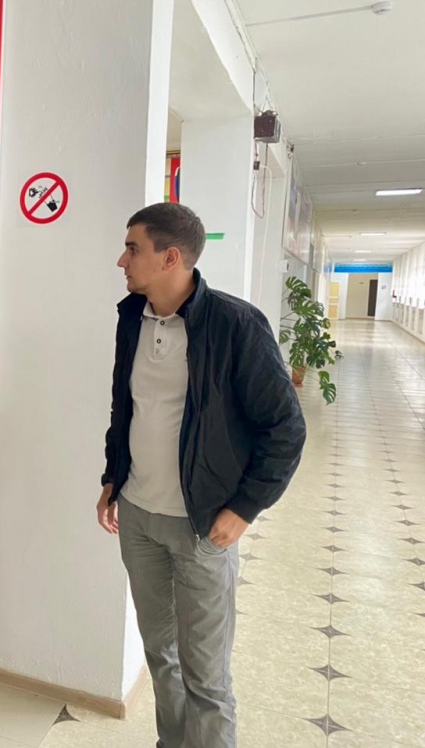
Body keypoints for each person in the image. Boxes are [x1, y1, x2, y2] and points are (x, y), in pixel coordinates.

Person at [97, 203, 306, 747]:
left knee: (206, 677)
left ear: (171, 257)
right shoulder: (131, 318)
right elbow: (126, 406)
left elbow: (285, 428)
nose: (122, 260)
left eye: (133, 248)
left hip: (203, 525)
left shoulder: (237, 325)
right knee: (161, 658)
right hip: (138, 518)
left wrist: (245, 507)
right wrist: (112, 476)